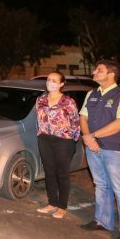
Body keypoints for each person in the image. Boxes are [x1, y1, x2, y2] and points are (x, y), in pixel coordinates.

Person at [79, 59, 120, 239]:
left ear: (111, 74)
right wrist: (87, 136)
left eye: (99, 70)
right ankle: (102, 221)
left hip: (116, 149)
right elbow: (83, 117)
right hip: (93, 147)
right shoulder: (91, 94)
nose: (94, 73)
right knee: (101, 185)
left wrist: (92, 136)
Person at [34, 71, 80, 219]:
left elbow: (75, 122)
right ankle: (52, 203)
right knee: (49, 172)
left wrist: (70, 140)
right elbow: (38, 119)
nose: (50, 82)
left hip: (63, 141)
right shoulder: (40, 100)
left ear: (61, 84)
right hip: (44, 139)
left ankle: (62, 207)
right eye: (48, 79)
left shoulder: (68, 101)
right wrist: (41, 134)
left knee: (62, 173)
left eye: (54, 80)